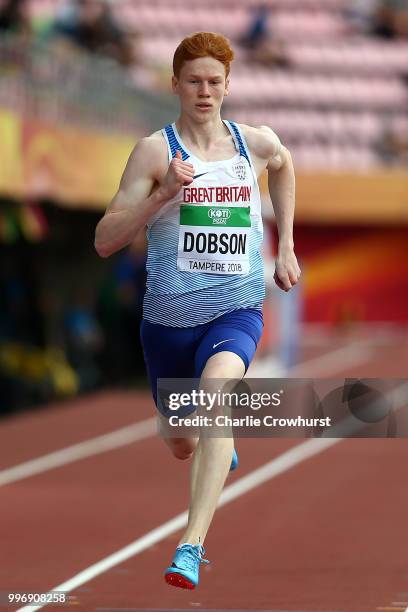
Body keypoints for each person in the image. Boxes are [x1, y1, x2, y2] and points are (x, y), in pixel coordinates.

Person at [94, 31, 300, 589]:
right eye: (194, 81)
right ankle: (212, 444)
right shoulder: (155, 152)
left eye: (214, 82)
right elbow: (105, 239)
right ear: (176, 85)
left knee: (217, 400)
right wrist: (162, 196)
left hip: (235, 310)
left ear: (228, 85)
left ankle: (190, 546)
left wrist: (284, 245)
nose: (204, 92)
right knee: (183, 440)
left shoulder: (253, 143)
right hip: (167, 323)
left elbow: (283, 165)